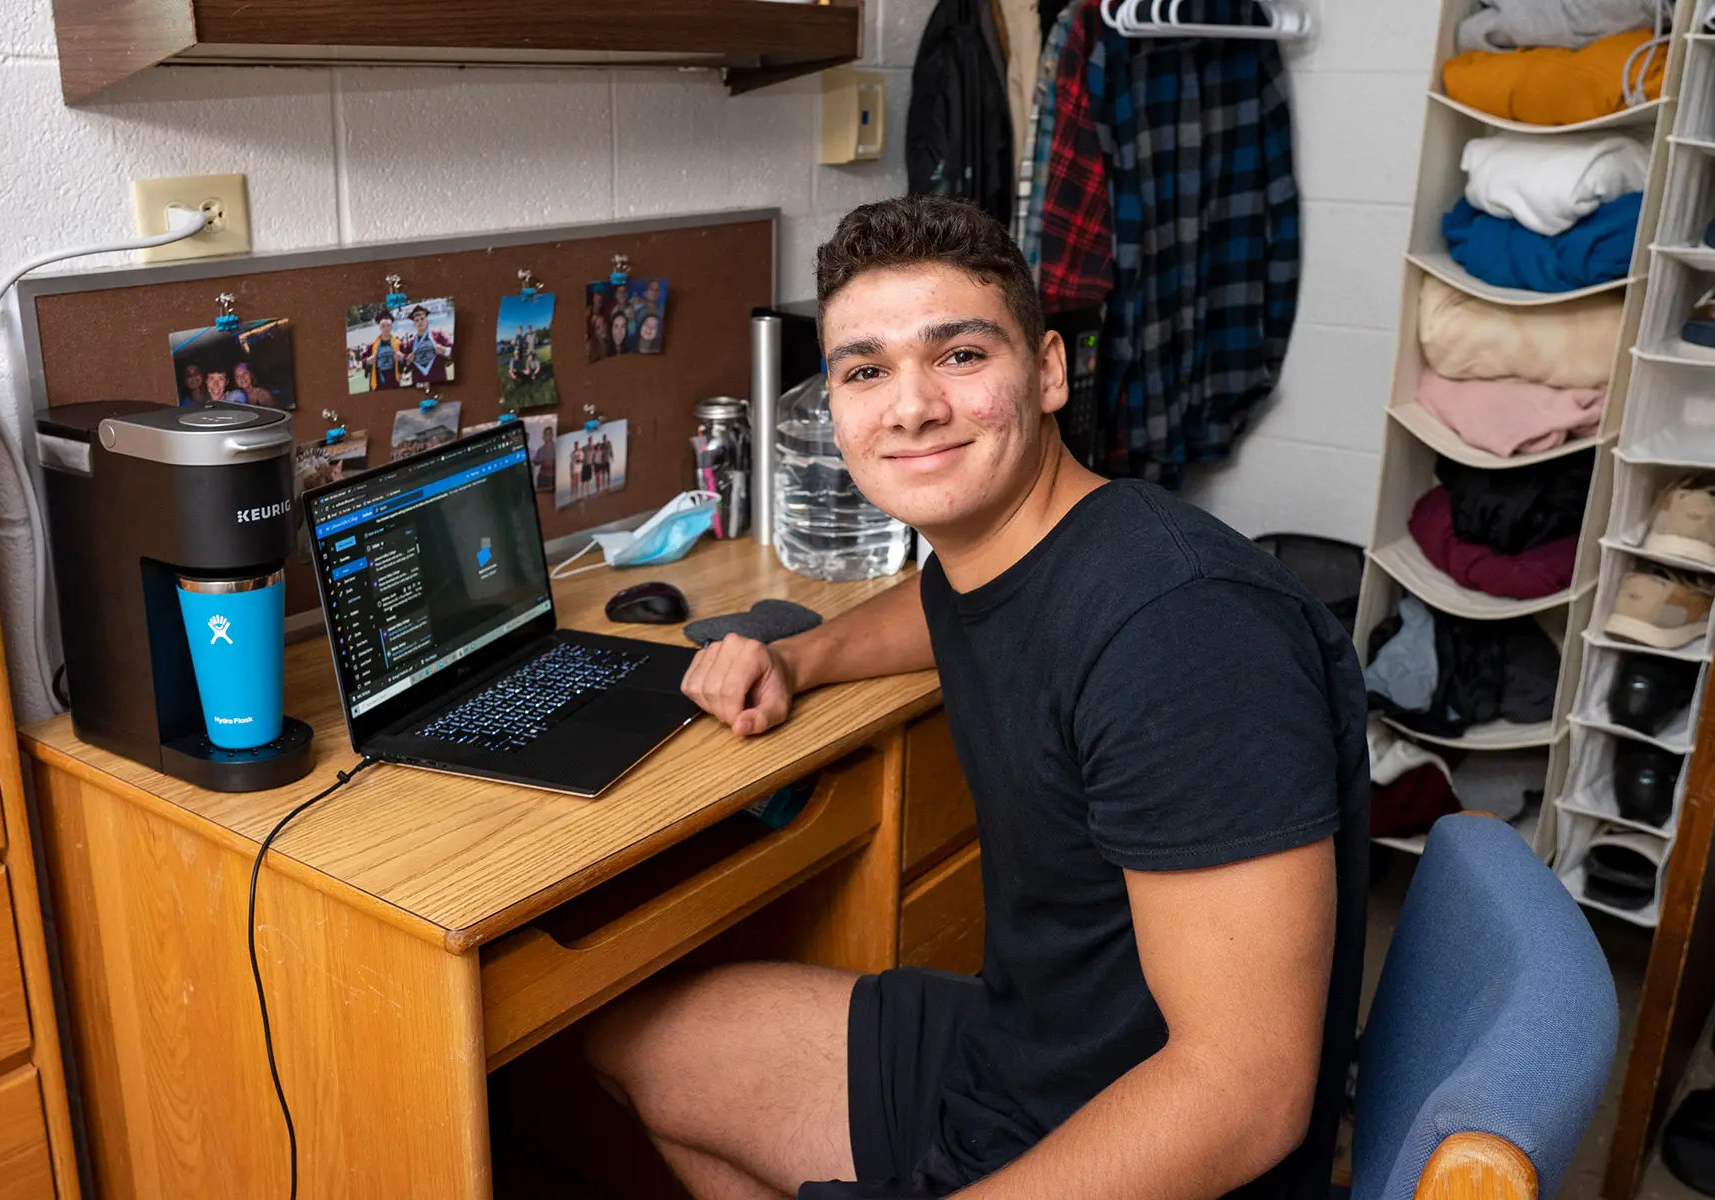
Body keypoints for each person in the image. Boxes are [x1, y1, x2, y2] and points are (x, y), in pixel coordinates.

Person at [584, 195, 1369, 1200]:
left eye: (959, 355)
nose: (910, 407)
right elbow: (948, 608)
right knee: (640, 1046)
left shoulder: (1186, 635)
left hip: (1145, 1134)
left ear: (1047, 371)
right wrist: (802, 659)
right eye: (866, 370)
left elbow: (1242, 1097)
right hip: (1026, 1047)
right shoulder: (1018, 549)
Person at [402, 304, 453, 386]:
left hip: (439, 380)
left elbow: (453, 349)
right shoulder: (410, 343)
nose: (420, 322)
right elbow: (403, 360)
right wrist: (408, 360)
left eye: (422, 319)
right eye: (416, 320)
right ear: (414, 324)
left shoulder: (438, 336)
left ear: (427, 320)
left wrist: (444, 350)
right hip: (419, 381)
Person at [360, 309, 404, 389]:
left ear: (391, 326)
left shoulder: (398, 344)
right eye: (383, 325)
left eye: (388, 325)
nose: (386, 328)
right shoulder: (372, 346)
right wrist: (367, 361)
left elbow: (405, 362)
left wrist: (402, 359)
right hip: (377, 383)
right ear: (379, 327)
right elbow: (363, 362)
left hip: (393, 382)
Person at [534, 424, 556, 492]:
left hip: (552, 479)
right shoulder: (540, 449)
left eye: (548, 434)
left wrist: (549, 462)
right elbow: (536, 462)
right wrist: (537, 461)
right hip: (541, 478)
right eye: (545, 434)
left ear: (552, 435)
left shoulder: (556, 448)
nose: (546, 436)